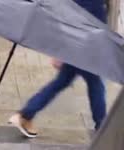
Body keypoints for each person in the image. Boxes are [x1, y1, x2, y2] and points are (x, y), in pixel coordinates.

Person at [8, 0, 108, 137]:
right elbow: (80, 17)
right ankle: (102, 127)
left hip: (81, 42)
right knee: (94, 83)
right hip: (85, 45)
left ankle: (26, 114)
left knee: (65, 81)